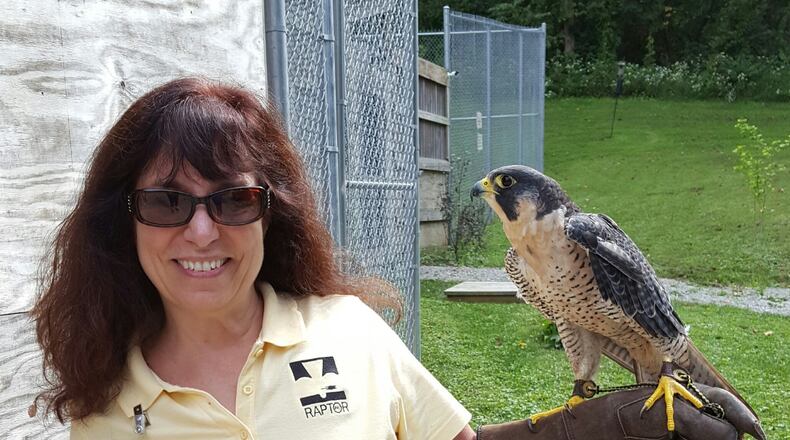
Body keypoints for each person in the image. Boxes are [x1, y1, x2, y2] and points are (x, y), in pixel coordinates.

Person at [32, 78, 757, 440]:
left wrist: (601, 422)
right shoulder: (104, 402)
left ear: (270, 210)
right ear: (120, 218)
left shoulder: (348, 328)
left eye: (232, 200)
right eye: (166, 201)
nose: (200, 231)